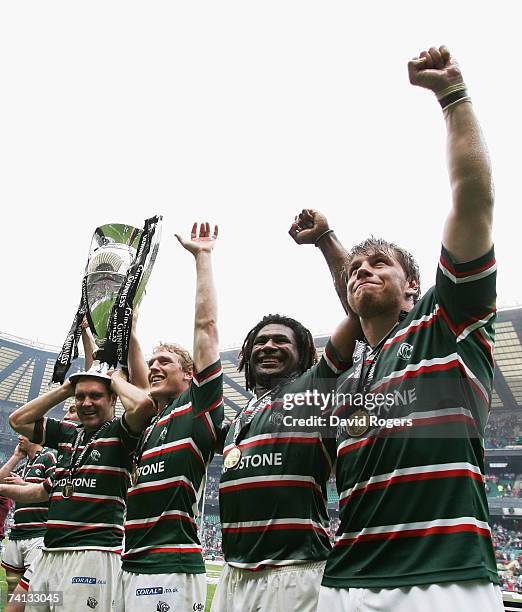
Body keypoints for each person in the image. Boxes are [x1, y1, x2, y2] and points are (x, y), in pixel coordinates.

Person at [314, 46, 503, 611]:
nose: (363, 272)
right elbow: (359, 295)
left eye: (382, 265)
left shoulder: (447, 326)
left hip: (442, 577)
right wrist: (330, 244)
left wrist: (452, 96)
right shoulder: (351, 382)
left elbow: (474, 202)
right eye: (357, 269)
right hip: (345, 580)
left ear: (414, 289)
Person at [211, 249, 362, 610]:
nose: (268, 346)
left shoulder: (312, 389)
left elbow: (356, 313)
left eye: (281, 341)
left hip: (293, 572)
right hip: (234, 574)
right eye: (261, 341)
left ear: (303, 352)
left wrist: (325, 241)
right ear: (247, 355)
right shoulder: (239, 419)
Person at [114, 222, 224, 612]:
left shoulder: (199, 407)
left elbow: (206, 329)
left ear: (190, 375)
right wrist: (127, 324)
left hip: (170, 567)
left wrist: (202, 258)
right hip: (131, 562)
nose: (155, 367)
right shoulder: (149, 422)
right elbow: (138, 374)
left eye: (166, 363)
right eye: (152, 363)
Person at [8, 359, 154, 611]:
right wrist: (66, 389)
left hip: (92, 555)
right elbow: (17, 420)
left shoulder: (121, 433)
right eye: (80, 397)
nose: (86, 403)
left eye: (96, 396)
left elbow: (143, 405)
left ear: (113, 399)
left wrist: (116, 380)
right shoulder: (67, 434)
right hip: (50, 552)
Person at [0, 437, 56, 594]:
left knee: (34, 588)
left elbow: (55, 488)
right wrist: (16, 457)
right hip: (16, 533)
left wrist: (22, 485)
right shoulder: (23, 466)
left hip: (38, 532)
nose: (19, 437)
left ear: (35, 435)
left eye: (23, 433)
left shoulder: (49, 457)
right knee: (12, 586)